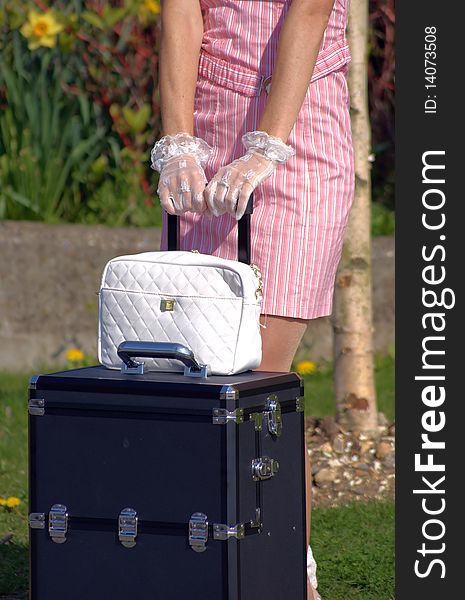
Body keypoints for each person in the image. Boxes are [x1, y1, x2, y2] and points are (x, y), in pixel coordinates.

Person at [151, 1, 355, 598]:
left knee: (258, 378)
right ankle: (203, 565)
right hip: (207, 128)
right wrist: (177, 139)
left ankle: (288, 574)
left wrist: (268, 146)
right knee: (197, 375)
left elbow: (312, 9)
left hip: (301, 131)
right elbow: (180, 13)